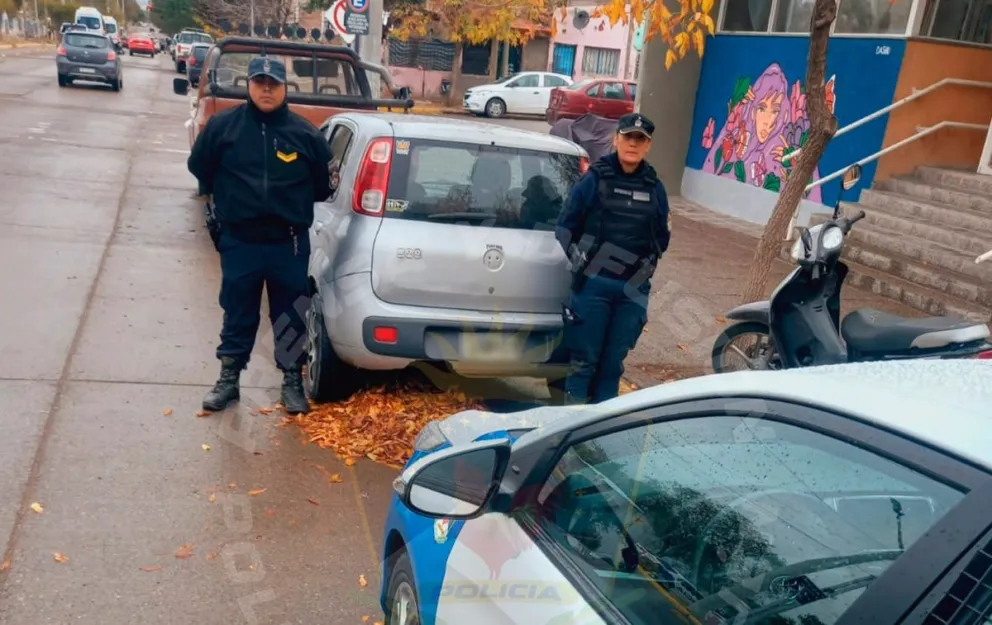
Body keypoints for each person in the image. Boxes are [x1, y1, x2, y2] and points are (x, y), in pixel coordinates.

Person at [187, 56, 332, 414]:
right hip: (240, 240)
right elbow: (199, 168)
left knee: (290, 314)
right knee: (238, 310)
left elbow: (323, 186)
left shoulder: (305, 134)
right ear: (249, 85)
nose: (266, 89)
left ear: (285, 88)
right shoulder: (223, 127)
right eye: (260, 82)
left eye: (274, 83)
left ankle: (291, 382)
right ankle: (229, 380)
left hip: (288, 241)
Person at [555, 112, 671, 404]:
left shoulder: (655, 188)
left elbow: (662, 236)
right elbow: (565, 226)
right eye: (628, 137)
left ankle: (600, 440)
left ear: (648, 146)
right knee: (583, 362)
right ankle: (570, 432)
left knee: (611, 367)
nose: (633, 144)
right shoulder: (594, 179)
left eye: (640, 140)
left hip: (632, 290)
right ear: (616, 139)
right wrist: (580, 258)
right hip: (594, 285)